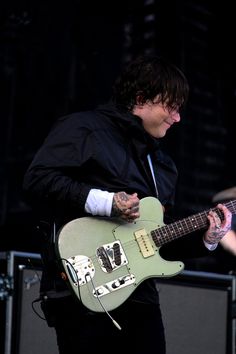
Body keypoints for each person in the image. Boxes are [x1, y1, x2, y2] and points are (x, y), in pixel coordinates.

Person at [22, 55, 232, 354]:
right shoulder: (85, 128)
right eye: (170, 106)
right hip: (83, 288)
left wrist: (206, 240)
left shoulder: (163, 166)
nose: (177, 117)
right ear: (141, 98)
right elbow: (37, 180)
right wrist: (106, 202)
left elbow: (156, 243)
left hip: (141, 300)